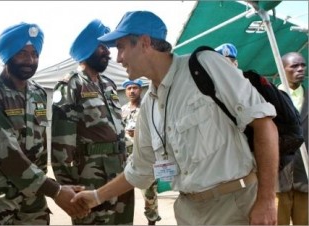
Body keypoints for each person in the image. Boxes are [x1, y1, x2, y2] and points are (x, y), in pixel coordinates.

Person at [72, 10, 279, 225]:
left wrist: (267, 200)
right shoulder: (149, 107)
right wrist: (95, 197)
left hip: (235, 207)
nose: (118, 58)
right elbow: (140, 170)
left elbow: (265, 125)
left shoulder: (204, 66)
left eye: (122, 47)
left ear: (144, 43)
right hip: (188, 212)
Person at [0, 22, 88, 225]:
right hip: (0, 199)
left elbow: (41, 146)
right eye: (22, 53)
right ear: (8, 54)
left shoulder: (38, 93)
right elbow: (6, 154)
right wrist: (56, 191)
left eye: (34, 53)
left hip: (34, 199)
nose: (30, 60)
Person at [51, 19, 135, 225]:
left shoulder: (109, 85)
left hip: (121, 174)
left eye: (107, 48)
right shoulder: (70, 85)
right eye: (101, 47)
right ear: (86, 49)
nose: (108, 52)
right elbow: (61, 146)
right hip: (91, 178)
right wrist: (67, 190)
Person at [121, 79, 161, 225]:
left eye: (135, 88)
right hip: (126, 158)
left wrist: (138, 133)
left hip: (144, 157)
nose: (132, 91)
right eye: (129, 88)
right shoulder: (122, 110)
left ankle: (151, 221)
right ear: (125, 91)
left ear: (141, 90)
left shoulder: (147, 107)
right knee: (124, 193)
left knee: (149, 194)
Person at [275, 52, 308, 225]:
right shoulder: (268, 99)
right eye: (294, 66)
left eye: (303, 65)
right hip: (277, 179)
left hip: (305, 179)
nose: (300, 69)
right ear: (282, 69)